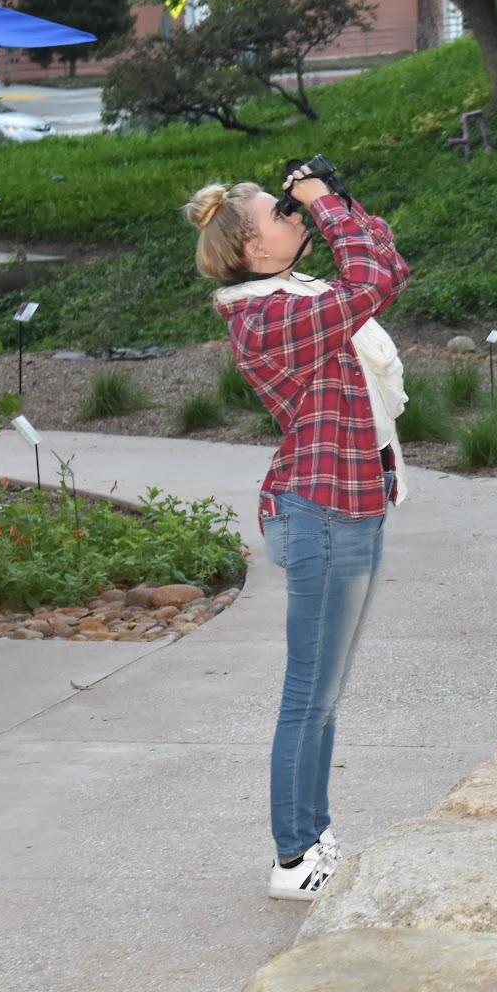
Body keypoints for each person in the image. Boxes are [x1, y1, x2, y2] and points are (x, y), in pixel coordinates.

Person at [182, 163, 410, 901]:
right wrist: (328, 206)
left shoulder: (302, 297)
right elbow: (373, 281)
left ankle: (313, 838)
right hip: (322, 511)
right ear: (251, 248)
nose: (294, 216)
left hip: (351, 502)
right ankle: (292, 858)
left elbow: (385, 261)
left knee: (326, 693)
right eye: (279, 213)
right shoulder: (267, 316)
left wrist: (337, 199)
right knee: (309, 693)